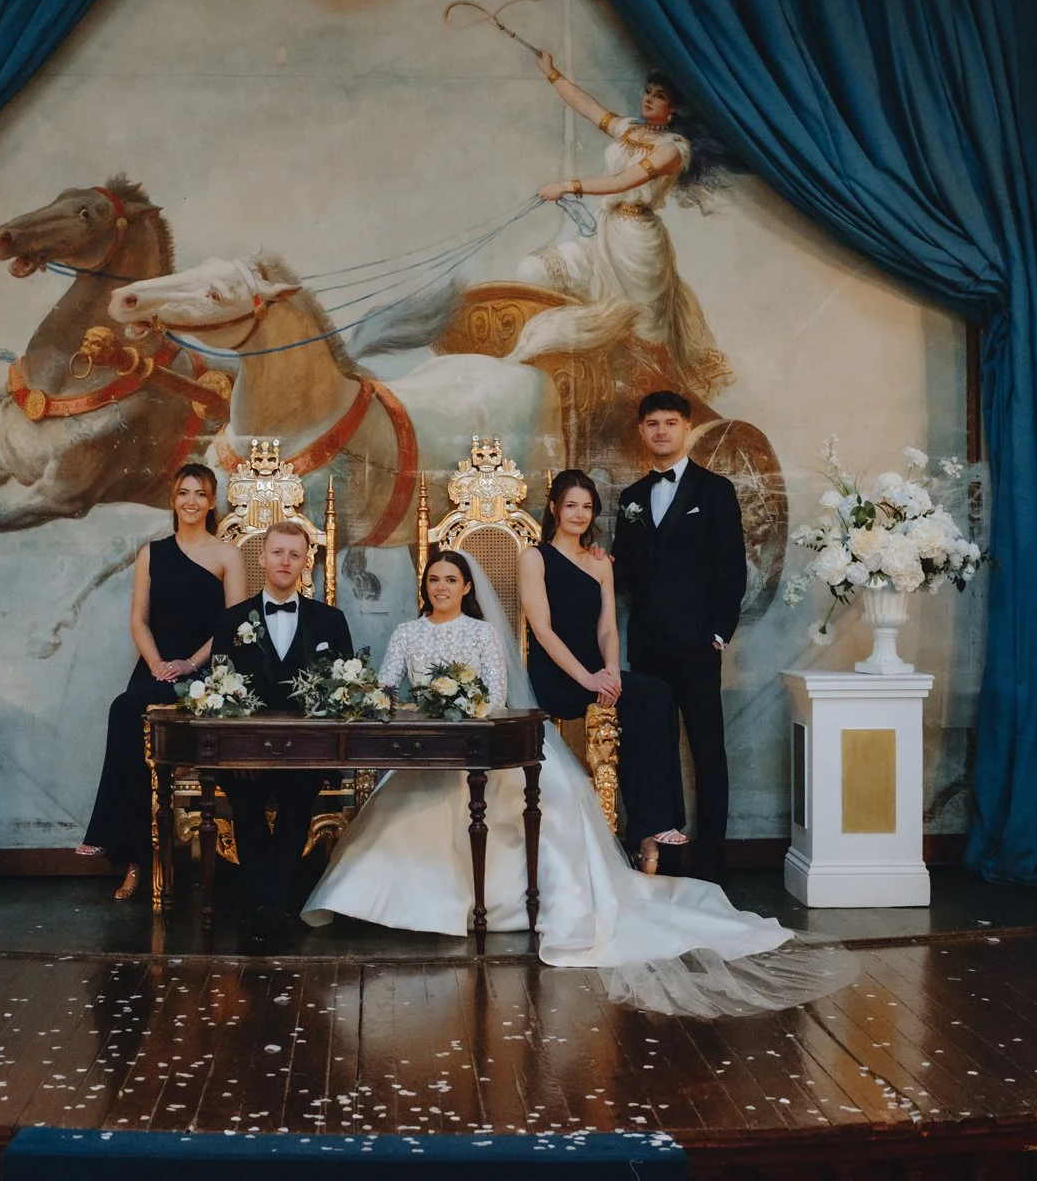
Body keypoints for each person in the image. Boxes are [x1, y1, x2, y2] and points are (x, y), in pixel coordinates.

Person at [303, 548, 853, 1020]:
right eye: (434, 580)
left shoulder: (481, 634)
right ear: (425, 587)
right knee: (400, 811)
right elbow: (387, 687)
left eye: (451, 579)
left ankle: (510, 906)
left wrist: (461, 710)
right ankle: (390, 904)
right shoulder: (406, 633)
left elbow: (496, 695)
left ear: (467, 586)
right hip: (428, 746)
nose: (442, 587)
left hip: (481, 740)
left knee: (543, 799)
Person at [513, 55, 731, 400]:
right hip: (605, 233)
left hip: (639, 246)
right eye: (648, 91)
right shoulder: (631, 130)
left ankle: (644, 405)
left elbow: (626, 180)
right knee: (534, 269)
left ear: (672, 107)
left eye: (658, 95)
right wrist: (551, 73)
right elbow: (586, 106)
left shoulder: (673, 149)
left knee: (643, 335)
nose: (648, 99)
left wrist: (568, 185)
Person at [80, 464, 243, 900]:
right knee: (127, 713)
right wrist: (157, 664)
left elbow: (236, 625)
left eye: (201, 494)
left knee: (128, 710)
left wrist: (189, 664)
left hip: (206, 672)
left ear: (212, 502)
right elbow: (138, 620)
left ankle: (115, 841)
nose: (191, 501)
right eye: (184, 493)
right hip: (155, 669)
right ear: (174, 500)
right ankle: (133, 859)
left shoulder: (227, 554)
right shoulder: (152, 553)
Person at [611, 391, 747, 881]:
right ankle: (662, 858)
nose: (662, 431)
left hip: (697, 645)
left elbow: (732, 570)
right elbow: (622, 573)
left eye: (670, 422)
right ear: (642, 432)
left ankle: (711, 863)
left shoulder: (715, 491)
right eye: (652, 423)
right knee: (656, 751)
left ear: (686, 429)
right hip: (647, 646)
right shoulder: (630, 498)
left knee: (708, 751)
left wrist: (718, 634)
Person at [522, 470, 686, 872]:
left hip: (597, 672)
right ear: (555, 508)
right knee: (644, 699)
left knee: (656, 695)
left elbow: (608, 627)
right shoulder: (534, 557)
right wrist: (589, 678)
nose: (579, 514)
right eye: (572, 505)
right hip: (555, 675)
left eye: (587, 507)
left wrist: (611, 671)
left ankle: (652, 829)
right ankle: (649, 831)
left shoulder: (599, 563)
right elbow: (541, 630)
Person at [212, 521, 355, 946]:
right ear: (262, 558)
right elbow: (219, 688)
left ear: (305, 562)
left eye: (294, 554)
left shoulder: (330, 620)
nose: (285, 561)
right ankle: (272, 906)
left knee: (297, 803)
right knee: (246, 802)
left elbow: (343, 690)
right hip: (245, 753)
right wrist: (246, 752)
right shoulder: (232, 619)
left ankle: (265, 907)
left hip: (306, 753)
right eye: (277, 552)